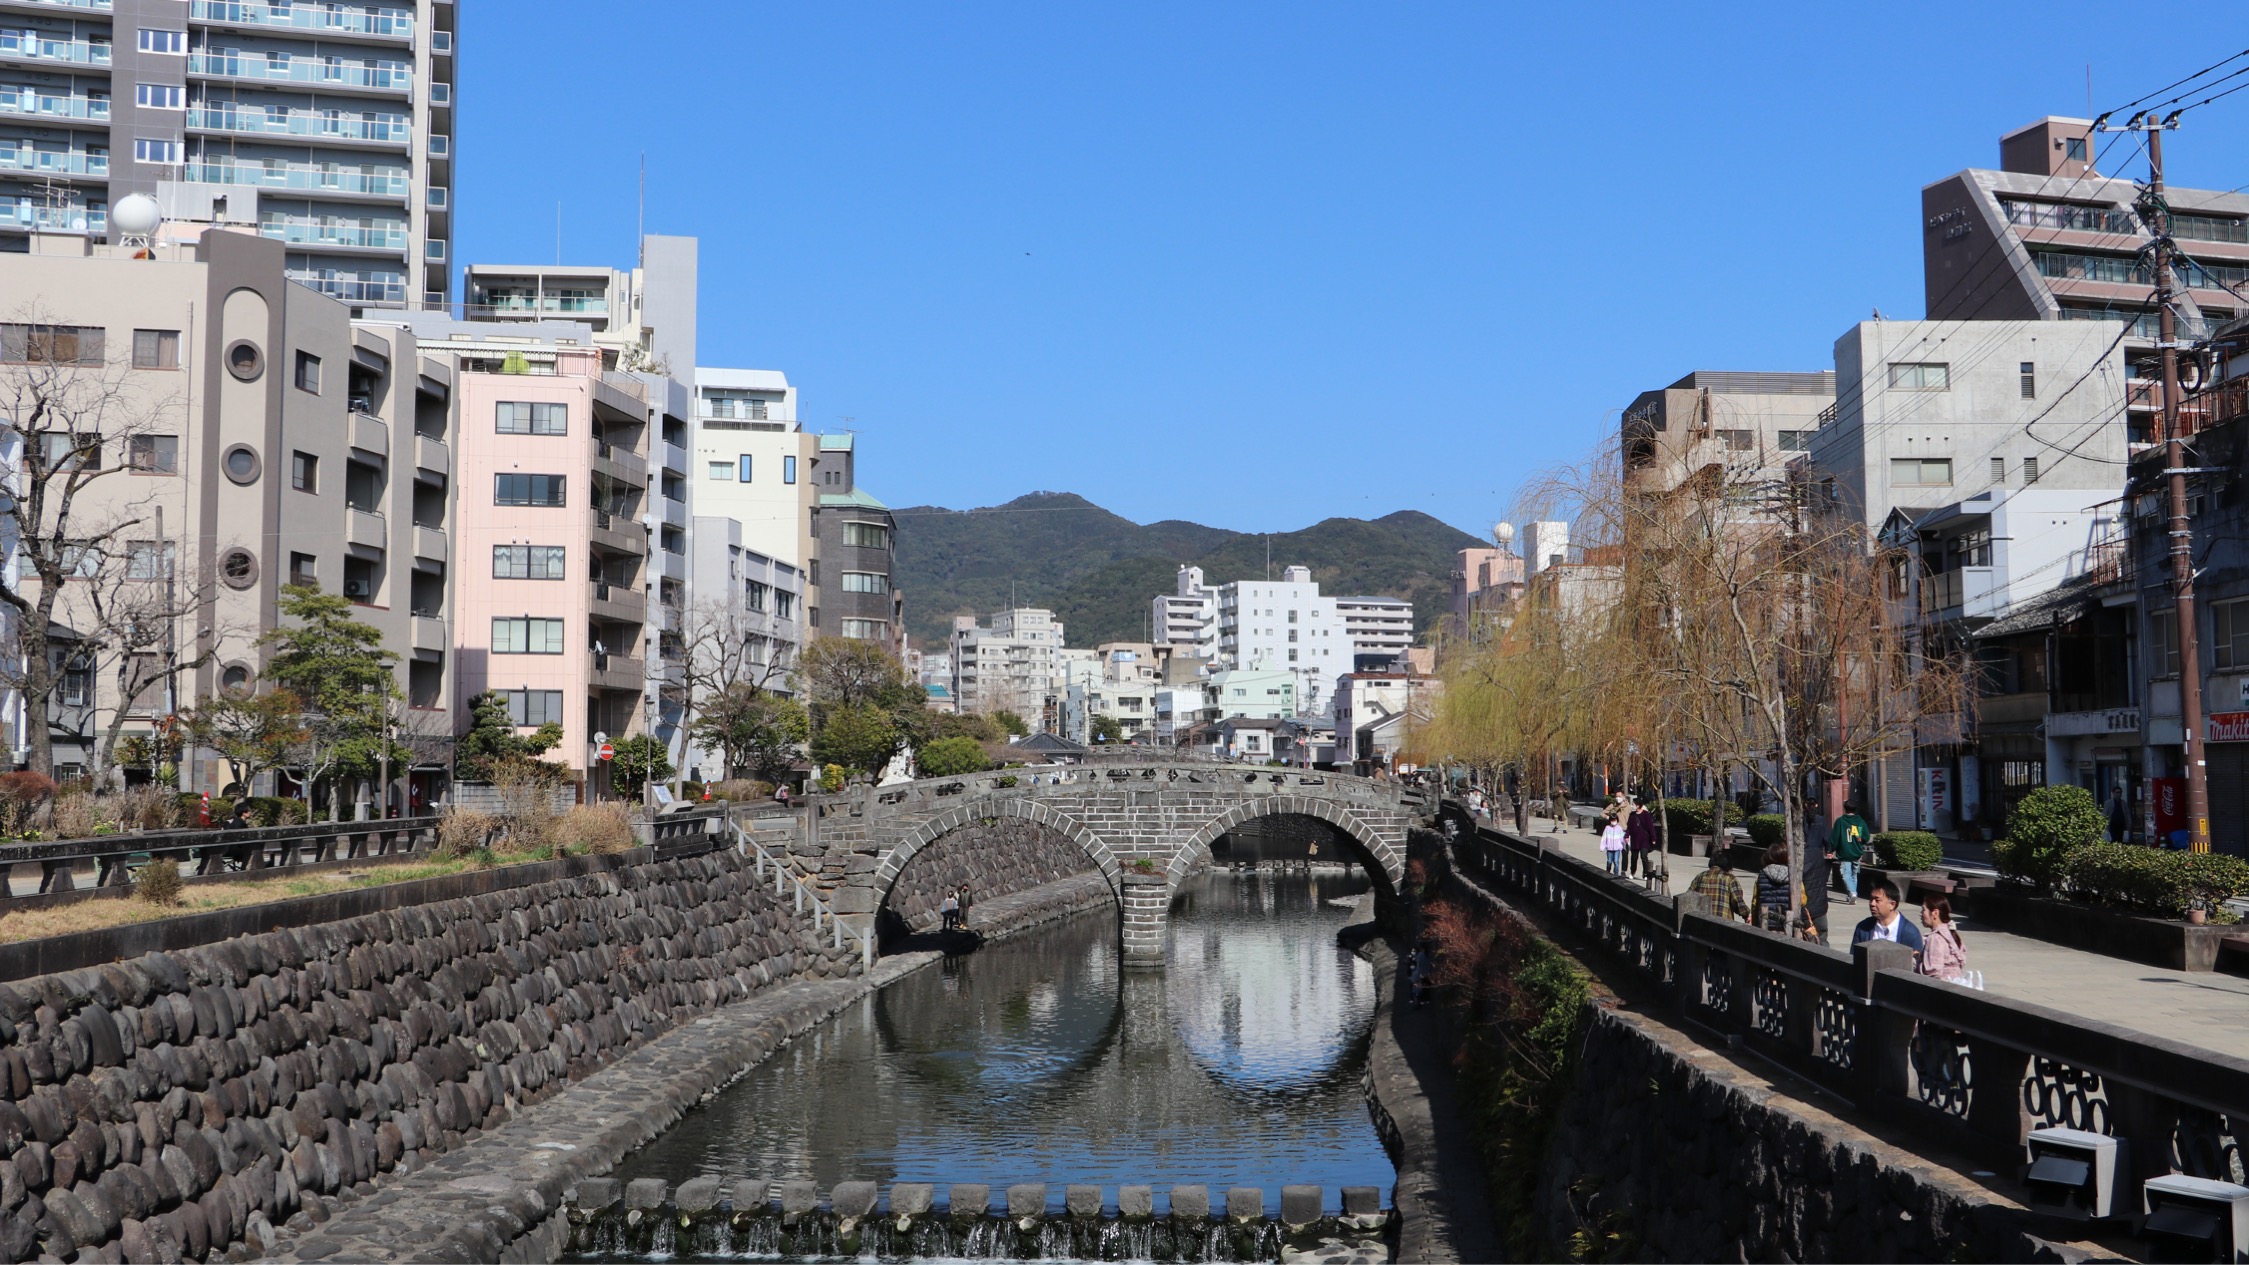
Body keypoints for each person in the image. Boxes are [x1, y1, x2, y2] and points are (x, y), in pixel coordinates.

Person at [1851, 879, 1926, 955]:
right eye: (1871, 899)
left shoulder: (1910, 932)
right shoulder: (1863, 928)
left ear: (1892, 905)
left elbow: (1915, 963)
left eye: (1877, 900)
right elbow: (1853, 958)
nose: (1872, 904)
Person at [1690, 852, 1751, 922]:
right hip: (1723, 924)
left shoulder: (1700, 877)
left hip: (1701, 921)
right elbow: (1737, 902)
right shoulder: (1730, 879)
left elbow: (1689, 897)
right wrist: (1746, 915)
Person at [1917, 895, 1968, 981]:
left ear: (1935, 913)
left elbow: (1933, 972)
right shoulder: (1951, 933)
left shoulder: (1935, 938)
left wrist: (1917, 963)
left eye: (1923, 910)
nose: (1921, 914)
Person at [1830, 801, 1869, 905]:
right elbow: (1866, 836)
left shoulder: (1841, 821)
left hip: (1845, 852)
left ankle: (1852, 893)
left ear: (1845, 809)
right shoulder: (1860, 822)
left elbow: (1835, 837)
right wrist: (1860, 842)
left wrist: (1831, 849)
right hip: (1857, 852)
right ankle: (1852, 894)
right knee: (1854, 874)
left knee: (1846, 874)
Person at [1797, 827, 1831, 946]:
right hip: (1820, 906)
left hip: (1804, 907)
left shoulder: (1796, 857)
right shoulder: (1817, 854)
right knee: (1822, 938)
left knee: (1805, 940)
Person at [1755, 843, 1792, 933]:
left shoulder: (1762, 874)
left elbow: (1755, 899)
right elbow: (1802, 899)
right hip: (1788, 921)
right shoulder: (1793, 874)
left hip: (1766, 921)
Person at [1624, 798, 1658, 879]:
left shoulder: (1646, 814)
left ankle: (1645, 873)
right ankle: (1633, 871)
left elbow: (1650, 827)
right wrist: (1627, 836)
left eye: (1633, 804)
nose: (1632, 806)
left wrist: (1653, 838)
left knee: (1644, 856)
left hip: (1644, 840)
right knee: (1634, 857)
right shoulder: (1632, 815)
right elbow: (1629, 827)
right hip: (1635, 840)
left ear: (1638, 805)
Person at [1599, 811, 1627, 875]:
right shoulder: (1607, 828)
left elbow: (1622, 838)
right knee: (1609, 861)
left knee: (1616, 862)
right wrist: (1602, 847)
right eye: (1612, 820)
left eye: (1614, 820)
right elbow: (1604, 837)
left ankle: (1616, 874)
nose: (1613, 821)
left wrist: (1624, 845)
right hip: (1609, 848)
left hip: (1617, 849)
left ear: (1617, 820)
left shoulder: (1619, 828)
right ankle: (1608, 872)